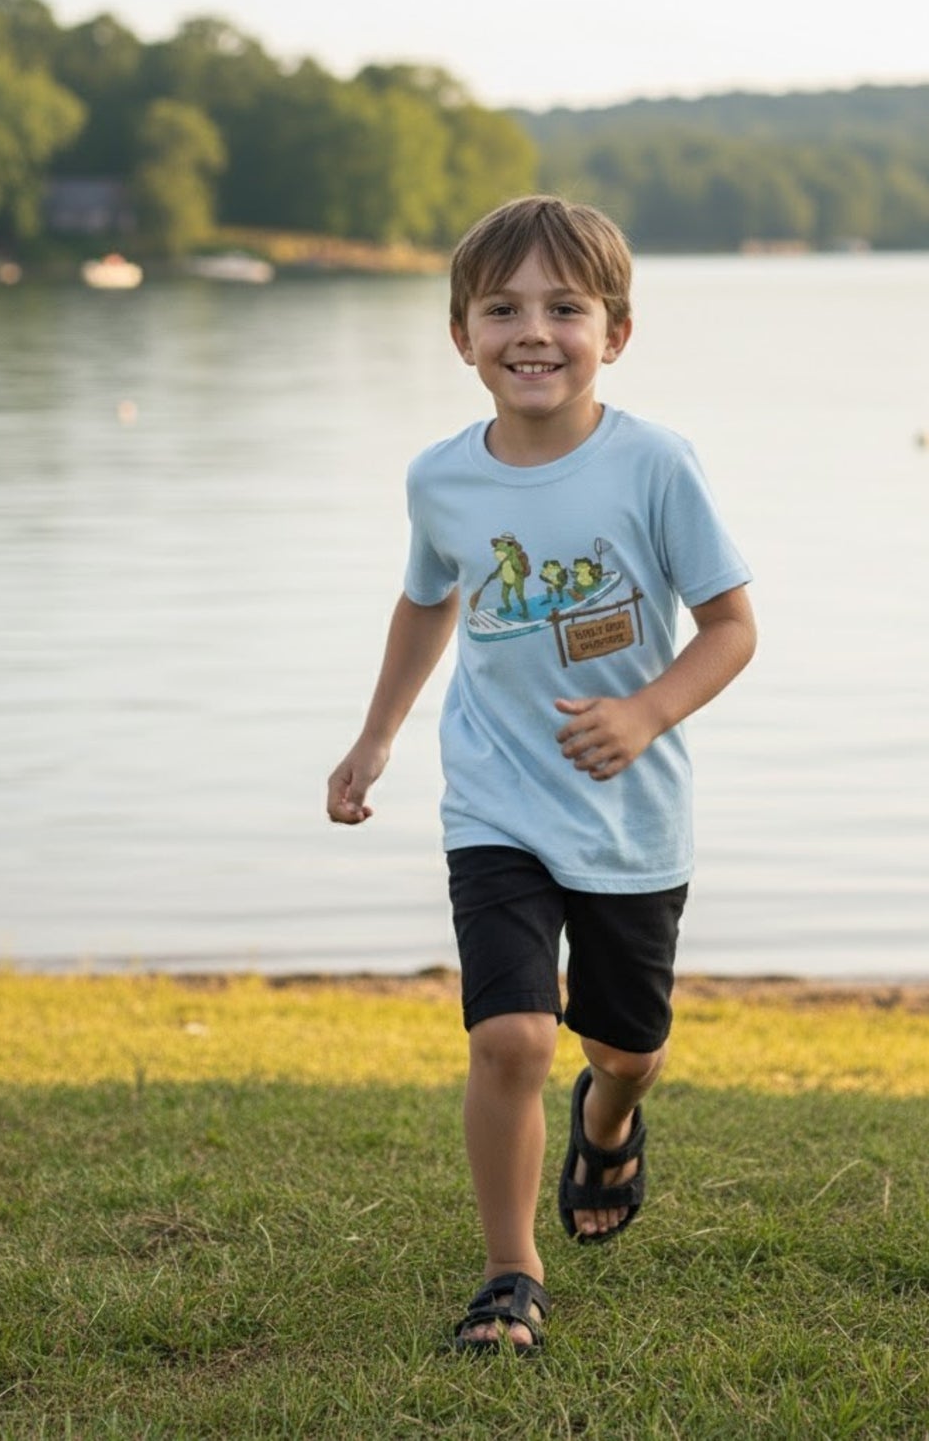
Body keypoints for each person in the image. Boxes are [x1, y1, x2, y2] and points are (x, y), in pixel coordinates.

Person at [325, 194, 756, 1355]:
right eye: (500, 306)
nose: (532, 330)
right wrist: (375, 738)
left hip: (629, 811)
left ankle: (609, 1118)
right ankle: (509, 1272)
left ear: (613, 333)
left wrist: (644, 711)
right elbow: (427, 602)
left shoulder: (655, 463)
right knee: (509, 1034)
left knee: (626, 1046)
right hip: (495, 799)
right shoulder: (441, 480)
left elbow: (728, 626)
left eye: (564, 306)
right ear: (460, 334)